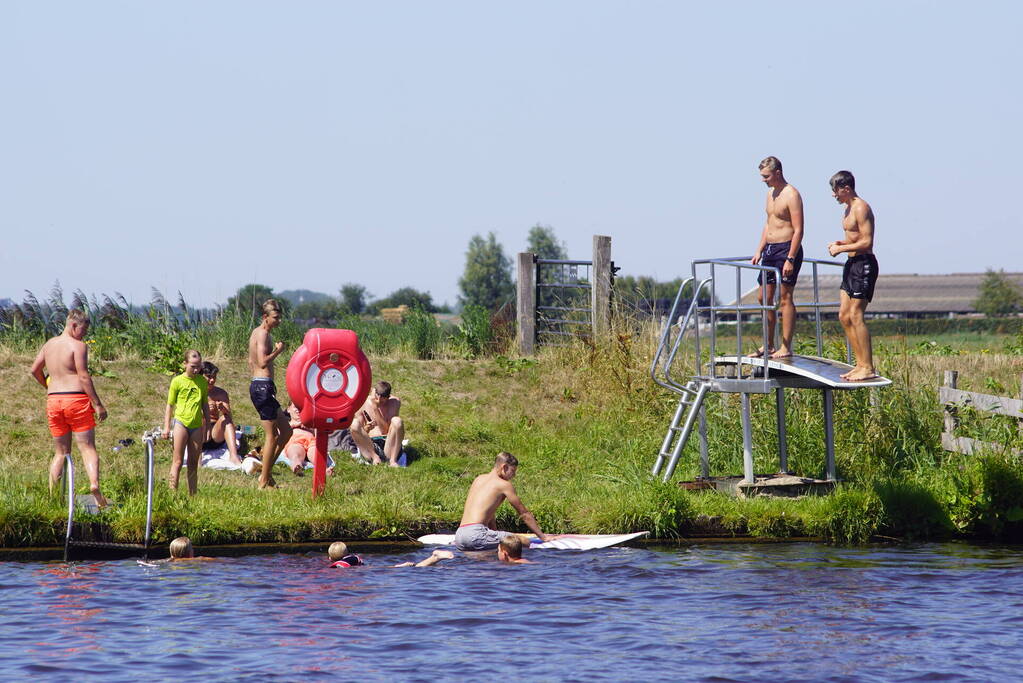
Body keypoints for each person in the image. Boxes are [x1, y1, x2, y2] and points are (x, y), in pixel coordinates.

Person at [29, 309, 110, 507]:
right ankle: (94, 485)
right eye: (83, 330)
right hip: (76, 400)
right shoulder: (78, 346)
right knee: (87, 447)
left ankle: (54, 499)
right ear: (74, 325)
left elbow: (34, 370)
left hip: (54, 401)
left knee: (61, 452)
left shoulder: (49, 344)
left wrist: (49, 386)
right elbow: (83, 376)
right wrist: (98, 404)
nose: (84, 335)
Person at [750, 156, 805, 359]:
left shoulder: (792, 194)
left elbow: (799, 229)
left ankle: (786, 346)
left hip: (787, 249)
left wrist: (791, 258)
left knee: (785, 298)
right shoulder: (769, 194)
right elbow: (769, 223)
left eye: (766, 176)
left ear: (778, 173)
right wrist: (759, 249)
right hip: (770, 250)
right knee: (763, 297)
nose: (763, 180)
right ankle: (768, 344)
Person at [827, 170, 879, 381]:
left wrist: (840, 250)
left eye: (835, 191)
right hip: (851, 264)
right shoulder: (848, 208)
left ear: (846, 188)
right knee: (844, 315)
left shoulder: (861, 207)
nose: (833, 195)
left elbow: (867, 242)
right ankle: (859, 364)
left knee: (856, 315)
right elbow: (854, 237)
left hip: (864, 264)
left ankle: (868, 367)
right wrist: (843, 244)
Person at [454, 452, 554, 551]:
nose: (514, 475)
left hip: (460, 536)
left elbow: (489, 514)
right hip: (476, 535)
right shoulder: (504, 485)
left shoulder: (479, 479)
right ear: (504, 467)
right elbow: (524, 514)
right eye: (513, 471)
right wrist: (543, 537)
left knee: (488, 555)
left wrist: (494, 534)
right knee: (522, 542)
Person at [248, 299, 292, 489]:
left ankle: (266, 473)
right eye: (276, 317)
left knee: (287, 432)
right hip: (262, 388)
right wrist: (278, 351)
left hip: (263, 387)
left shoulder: (257, 333)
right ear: (265, 317)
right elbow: (262, 361)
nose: (279, 321)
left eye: (280, 317)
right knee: (272, 436)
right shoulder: (264, 334)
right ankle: (263, 480)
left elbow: (251, 362)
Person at [163, 350, 211, 495]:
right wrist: (166, 427)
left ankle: (193, 495)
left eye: (198, 367)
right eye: (192, 366)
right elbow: (170, 405)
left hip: (196, 425)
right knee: (177, 462)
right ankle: (172, 494)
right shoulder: (177, 381)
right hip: (181, 423)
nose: (196, 370)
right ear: (185, 364)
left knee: (193, 464)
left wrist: (207, 426)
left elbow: (204, 405)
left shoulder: (202, 382)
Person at [350, 381, 405, 467]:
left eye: (383, 400)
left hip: (388, 443)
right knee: (354, 423)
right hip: (370, 445)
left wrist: (375, 408)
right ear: (374, 392)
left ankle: (393, 461)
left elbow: (385, 430)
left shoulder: (395, 402)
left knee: (397, 421)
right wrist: (367, 427)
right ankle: (375, 457)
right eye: (378, 397)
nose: (380, 401)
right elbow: (359, 432)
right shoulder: (362, 402)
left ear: (388, 397)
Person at [201, 361, 242, 466]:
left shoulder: (221, 393)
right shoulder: (194, 392)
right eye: (209, 377)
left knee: (225, 418)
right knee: (200, 419)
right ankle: (198, 457)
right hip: (199, 433)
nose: (212, 380)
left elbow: (229, 416)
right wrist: (204, 410)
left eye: (214, 377)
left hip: (215, 433)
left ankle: (233, 456)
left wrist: (222, 408)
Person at [283, 403, 333, 476]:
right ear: (288, 409)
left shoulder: (310, 423)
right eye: (295, 407)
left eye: (301, 408)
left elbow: (318, 435)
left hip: (311, 441)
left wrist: (309, 425)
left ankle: (325, 469)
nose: (298, 410)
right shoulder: (286, 423)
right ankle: (297, 467)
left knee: (316, 454)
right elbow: (279, 434)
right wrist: (293, 425)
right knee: (295, 454)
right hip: (295, 441)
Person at [327, 541, 453, 568]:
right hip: (372, 566)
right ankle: (434, 558)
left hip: (376, 568)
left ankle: (435, 557)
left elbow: (341, 568)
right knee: (415, 566)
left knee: (414, 567)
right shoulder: (352, 558)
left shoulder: (340, 565)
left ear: (330, 558)